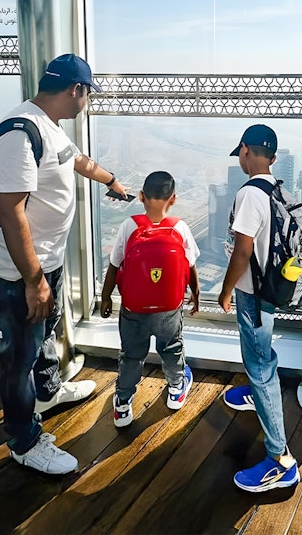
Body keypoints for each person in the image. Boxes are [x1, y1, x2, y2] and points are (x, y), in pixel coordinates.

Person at [0, 53, 129, 475]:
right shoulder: (19, 132)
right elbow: (10, 211)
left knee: (45, 331)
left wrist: (109, 180)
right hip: (19, 273)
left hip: (45, 263)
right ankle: (24, 441)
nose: (86, 102)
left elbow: (76, 160)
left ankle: (47, 392)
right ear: (75, 91)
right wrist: (34, 281)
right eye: (87, 94)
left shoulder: (49, 127)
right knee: (18, 357)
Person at [217, 124, 299, 493]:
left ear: (246, 151)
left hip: (252, 293)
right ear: (275, 158)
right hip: (273, 286)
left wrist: (225, 289)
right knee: (261, 356)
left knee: (261, 366)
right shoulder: (277, 189)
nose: (240, 158)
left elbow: (243, 250)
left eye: (241, 153)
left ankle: (281, 460)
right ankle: (255, 392)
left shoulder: (250, 194)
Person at [99, 171, 201, 427]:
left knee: (132, 356)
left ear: (142, 196)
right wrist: (196, 295)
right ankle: (176, 389)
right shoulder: (180, 227)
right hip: (169, 309)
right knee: (171, 349)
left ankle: (122, 404)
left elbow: (114, 266)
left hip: (134, 309)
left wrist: (106, 298)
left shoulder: (129, 226)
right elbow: (190, 267)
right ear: (173, 199)